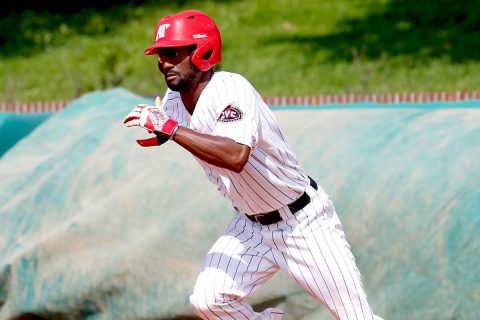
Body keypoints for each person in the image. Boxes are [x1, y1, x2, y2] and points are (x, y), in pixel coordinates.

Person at [123, 9, 383, 320]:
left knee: (357, 317)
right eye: (160, 54)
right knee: (209, 301)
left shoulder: (231, 89)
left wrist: (171, 129)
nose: (163, 62)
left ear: (202, 51)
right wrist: (165, 132)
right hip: (250, 227)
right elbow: (182, 123)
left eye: (172, 52)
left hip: (301, 222)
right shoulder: (174, 101)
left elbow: (235, 157)